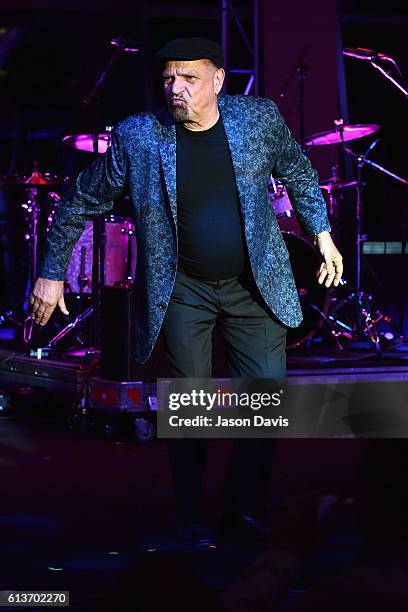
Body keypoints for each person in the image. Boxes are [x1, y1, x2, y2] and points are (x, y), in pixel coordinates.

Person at [29, 38, 343, 546]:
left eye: (189, 79)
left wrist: (323, 236)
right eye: (169, 79)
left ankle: (243, 511)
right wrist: (52, 270)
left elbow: (300, 171)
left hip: (254, 285)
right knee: (191, 406)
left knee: (264, 401)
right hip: (182, 288)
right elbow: (80, 197)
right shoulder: (140, 136)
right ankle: (192, 514)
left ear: (218, 80)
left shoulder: (258, 118)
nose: (176, 89)